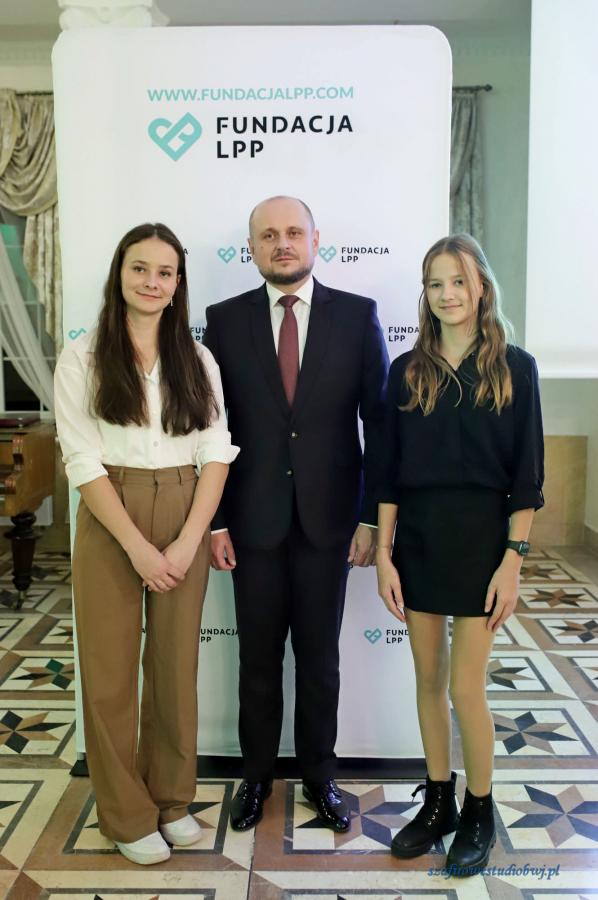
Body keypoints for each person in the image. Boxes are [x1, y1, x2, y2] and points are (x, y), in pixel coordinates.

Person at [54, 223, 238, 866]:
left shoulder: (198, 358)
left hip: (185, 507)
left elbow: (215, 451)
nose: (151, 282)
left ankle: (170, 800)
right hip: (112, 513)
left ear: (178, 284)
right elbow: (82, 461)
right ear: (120, 273)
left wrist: (188, 542)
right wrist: (136, 547)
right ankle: (125, 814)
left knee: (174, 670)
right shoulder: (82, 357)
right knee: (108, 675)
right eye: (140, 268)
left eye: (165, 272)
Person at [203, 195, 389, 833]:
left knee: (319, 660)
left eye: (292, 232)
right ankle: (255, 776)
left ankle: (319, 775)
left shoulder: (357, 316)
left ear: (315, 239)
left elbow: (379, 424)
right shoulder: (223, 321)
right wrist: (216, 521)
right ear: (251, 248)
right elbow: (211, 427)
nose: (281, 243)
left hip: (329, 524)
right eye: (267, 235)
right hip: (251, 524)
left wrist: (371, 519)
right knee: (257, 661)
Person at [376, 234, 544, 875]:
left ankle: (479, 807)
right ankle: (439, 800)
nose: (447, 294)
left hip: (482, 544)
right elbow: (387, 474)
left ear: (481, 289)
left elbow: (527, 477)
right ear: (425, 293)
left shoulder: (516, 368)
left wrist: (513, 561)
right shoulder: (406, 369)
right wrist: (384, 554)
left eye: (458, 281)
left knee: (465, 687)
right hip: (418, 540)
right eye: (435, 283)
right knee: (427, 680)